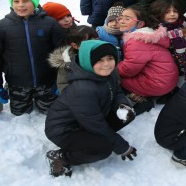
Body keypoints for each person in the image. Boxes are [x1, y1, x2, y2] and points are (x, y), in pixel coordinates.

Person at [44, 40, 137, 177]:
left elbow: (117, 92)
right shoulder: (83, 88)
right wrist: (121, 146)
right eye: (99, 60)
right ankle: (61, 156)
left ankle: (95, 139)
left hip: (87, 119)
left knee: (126, 115)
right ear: (88, 61)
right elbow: (95, 124)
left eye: (110, 58)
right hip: (64, 130)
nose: (106, 64)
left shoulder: (106, 74)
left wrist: (123, 106)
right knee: (102, 148)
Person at [0, 0, 66, 115]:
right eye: (16, 1)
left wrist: (60, 81)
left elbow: (63, 54)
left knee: (50, 112)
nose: (21, 5)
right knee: (19, 114)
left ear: (34, 2)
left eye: (26, 0)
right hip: (17, 83)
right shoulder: (1, 27)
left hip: (46, 82)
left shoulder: (49, 23)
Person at [117, 5, 179, 112]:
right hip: (167, 81)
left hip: (158, 84)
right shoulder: (148, 35)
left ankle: (140, 100)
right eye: (121, 17)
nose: (122, 21)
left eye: (127, 18)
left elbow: (129, 69)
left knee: (116, 79)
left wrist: (114, 70)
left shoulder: (137, 41)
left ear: (140, 24)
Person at [48, 25, 98, 94]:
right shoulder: (67, 62)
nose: (94, 44)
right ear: (75, 46)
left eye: (96, 40)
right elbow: (63, 85)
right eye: (88, 42)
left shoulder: (103, 55)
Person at [149, 0, 186, 76]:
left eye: (175, 11)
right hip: (167, 61)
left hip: (184, 56)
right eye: (167, 12)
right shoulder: (158, 29)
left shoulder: (182, 24)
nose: (172, 14)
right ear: (158, 13)